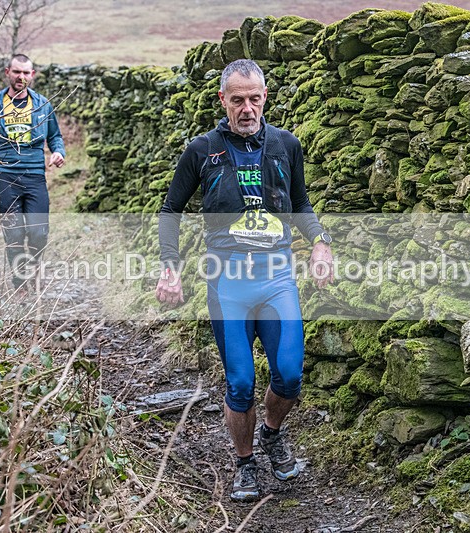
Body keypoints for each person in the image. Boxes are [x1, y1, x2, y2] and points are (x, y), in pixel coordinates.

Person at [156, 59, 334, 502]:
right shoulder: (201, 150)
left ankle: (272, 433)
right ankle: (244, 462)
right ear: (223, 100)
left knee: (290, 375)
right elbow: (170, 210)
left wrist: (320, 241)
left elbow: (300, 203)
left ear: (265, 97)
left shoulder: (286, 145)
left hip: (276, 277)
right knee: (239, 382)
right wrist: (170, 266)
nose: (247, 108)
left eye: (255, 98)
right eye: (237, 99)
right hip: (227, 280)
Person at [0, 53, 65, 294]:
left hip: (35, 175)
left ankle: (33, 268)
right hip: (5, 175)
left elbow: (54, 136)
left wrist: (58, 152)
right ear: (7, 73)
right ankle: (19, 282)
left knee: (38, 232)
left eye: (26, 72)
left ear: (32, 75)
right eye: (17, 72)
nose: (21, 77)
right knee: (14, 232)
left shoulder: (42, 104)